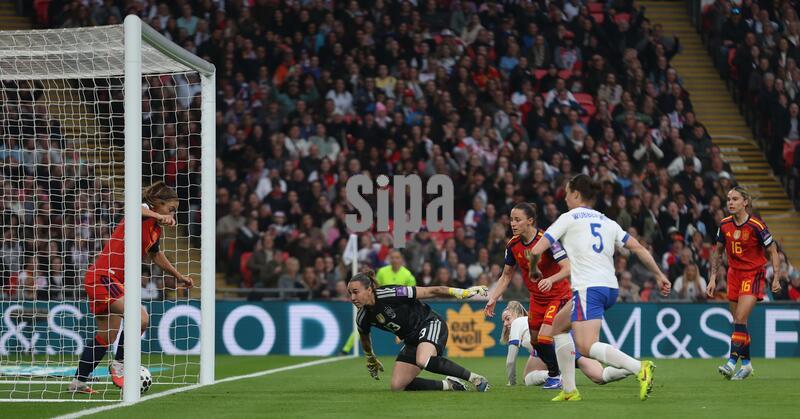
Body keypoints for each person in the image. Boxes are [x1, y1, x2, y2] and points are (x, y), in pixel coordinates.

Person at [527, 174, 671, 402]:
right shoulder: (607, 221)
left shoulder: (569, 217)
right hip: (609, 288)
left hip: (588, 288)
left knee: (586, 346)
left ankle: (639, 367)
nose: (564, 198)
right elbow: (638, 248)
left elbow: (535, 250)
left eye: (566, 193)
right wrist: (659, 274)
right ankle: (569, 390)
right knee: (558, 328)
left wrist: (534, 270)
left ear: (576, 194)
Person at [69, 182, 194, 394]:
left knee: (107, 336)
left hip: (112, 281)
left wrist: (178, 276)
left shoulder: (154, 229)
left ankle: (78, 382)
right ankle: (120, 364)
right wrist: (157, 215)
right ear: (158, 204)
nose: (172, 214)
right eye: (170, 209)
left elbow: (155, 254)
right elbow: (134, 207)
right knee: (140, 318)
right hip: (104, 276)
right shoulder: (144, 213)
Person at [348, 268, 490, 392]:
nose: (353, 298)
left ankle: (476, 379)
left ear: (369, 290)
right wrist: (370, 357)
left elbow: (431, 291)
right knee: (397, 386)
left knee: (423, 360)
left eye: (356, 292)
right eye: (350, 293)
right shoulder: (362, 317)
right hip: (412, 339)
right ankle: (450, 385)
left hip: (429, 323)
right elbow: (365, 337)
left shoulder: (391, 293)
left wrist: (462, 292)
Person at [484, 202, 572, 390]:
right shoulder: (513, 245)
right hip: (537, 299)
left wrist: (551, 280)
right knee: (534, 341)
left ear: (530, 221)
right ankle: (556, 374)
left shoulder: (548, 241)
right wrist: (493, 297)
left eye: (517, 220)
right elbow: (506, 275)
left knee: (545, 337)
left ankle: (558, 376)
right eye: (511, 220)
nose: (513, 224)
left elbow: (568, 267)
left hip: (558, 295)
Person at [706, 186, 784, 380]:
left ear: (745, 202)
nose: (730, 203)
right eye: (728, 199)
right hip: (733, 275)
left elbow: (773, 251)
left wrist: (776, 276)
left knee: (740, 318)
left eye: (735, 199)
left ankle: (731, 362)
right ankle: (747, 365)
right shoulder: (724, 225)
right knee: (739, 323)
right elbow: (718, 251)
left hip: (753, 274)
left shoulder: (757, 225)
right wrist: (713, 277)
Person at [500, 301, 632, 387]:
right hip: (565, 340)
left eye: (508, 318)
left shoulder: (518, 323)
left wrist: (511, 384)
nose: (506, 324)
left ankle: (556, 377)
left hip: (555, 345)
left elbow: (511, 361)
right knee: (600, 377)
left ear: (517, 314)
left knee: (528, 378)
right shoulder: (530, 322)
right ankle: (635, 368)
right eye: (503, 321)